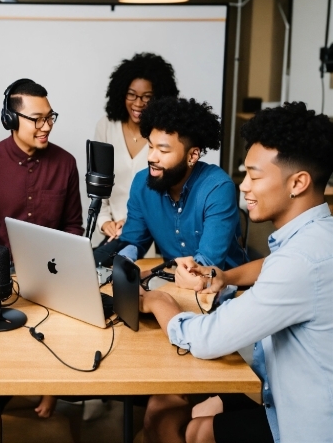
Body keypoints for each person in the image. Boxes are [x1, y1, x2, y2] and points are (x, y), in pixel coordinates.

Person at [140, 102, 333, 443]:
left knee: (183, 422)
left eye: (254, 176)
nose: (243, 186)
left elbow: (206, 339)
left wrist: (158, 302)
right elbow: (276, 264)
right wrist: (225, 277)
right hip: (287, 390)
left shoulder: (301, 261)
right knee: (190, 415)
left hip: (304, 425)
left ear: (298, 182)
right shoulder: (316, 238)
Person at [117, 97, 247, 287]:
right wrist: (122, 265)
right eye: (151, 146)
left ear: (192, 155)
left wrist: (150, 275)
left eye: (163, 150)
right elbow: (133, 241)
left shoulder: (217, 187)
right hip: (175, 283)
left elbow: (207, 264)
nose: (152, 157)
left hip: (228, 289)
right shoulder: (141, 183)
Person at [0, 78, 83, 269]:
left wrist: (63, 265)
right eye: (37, 119)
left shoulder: (66, 163)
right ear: (12, 119)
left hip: (52, 269)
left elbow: (72, 225)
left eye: (50, 117)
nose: (47, 126)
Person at [93, 53, 179, 266]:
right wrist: (105, 222)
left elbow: (170, 192)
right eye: (131, 95)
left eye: (147, 97)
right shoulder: (106, 126)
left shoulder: (165, 135)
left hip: (152, 233)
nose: (138, 103)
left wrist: (133, 224)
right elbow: (98, 186)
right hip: (111, 233)